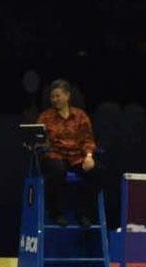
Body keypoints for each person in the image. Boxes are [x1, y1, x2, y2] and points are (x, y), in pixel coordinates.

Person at [37, 79, 99, 227]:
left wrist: (89, 156)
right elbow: (38, 139)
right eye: (52, 97)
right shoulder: (45, 117)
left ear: (67, 96)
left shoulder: (80, 116)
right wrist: (42, 146)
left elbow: (88, 138)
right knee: (58, 171)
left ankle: (84, 214)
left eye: (58, 96)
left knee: (94, 172)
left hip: (77, 157)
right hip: (55, 156)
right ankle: (56, 213)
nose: (55, 100)